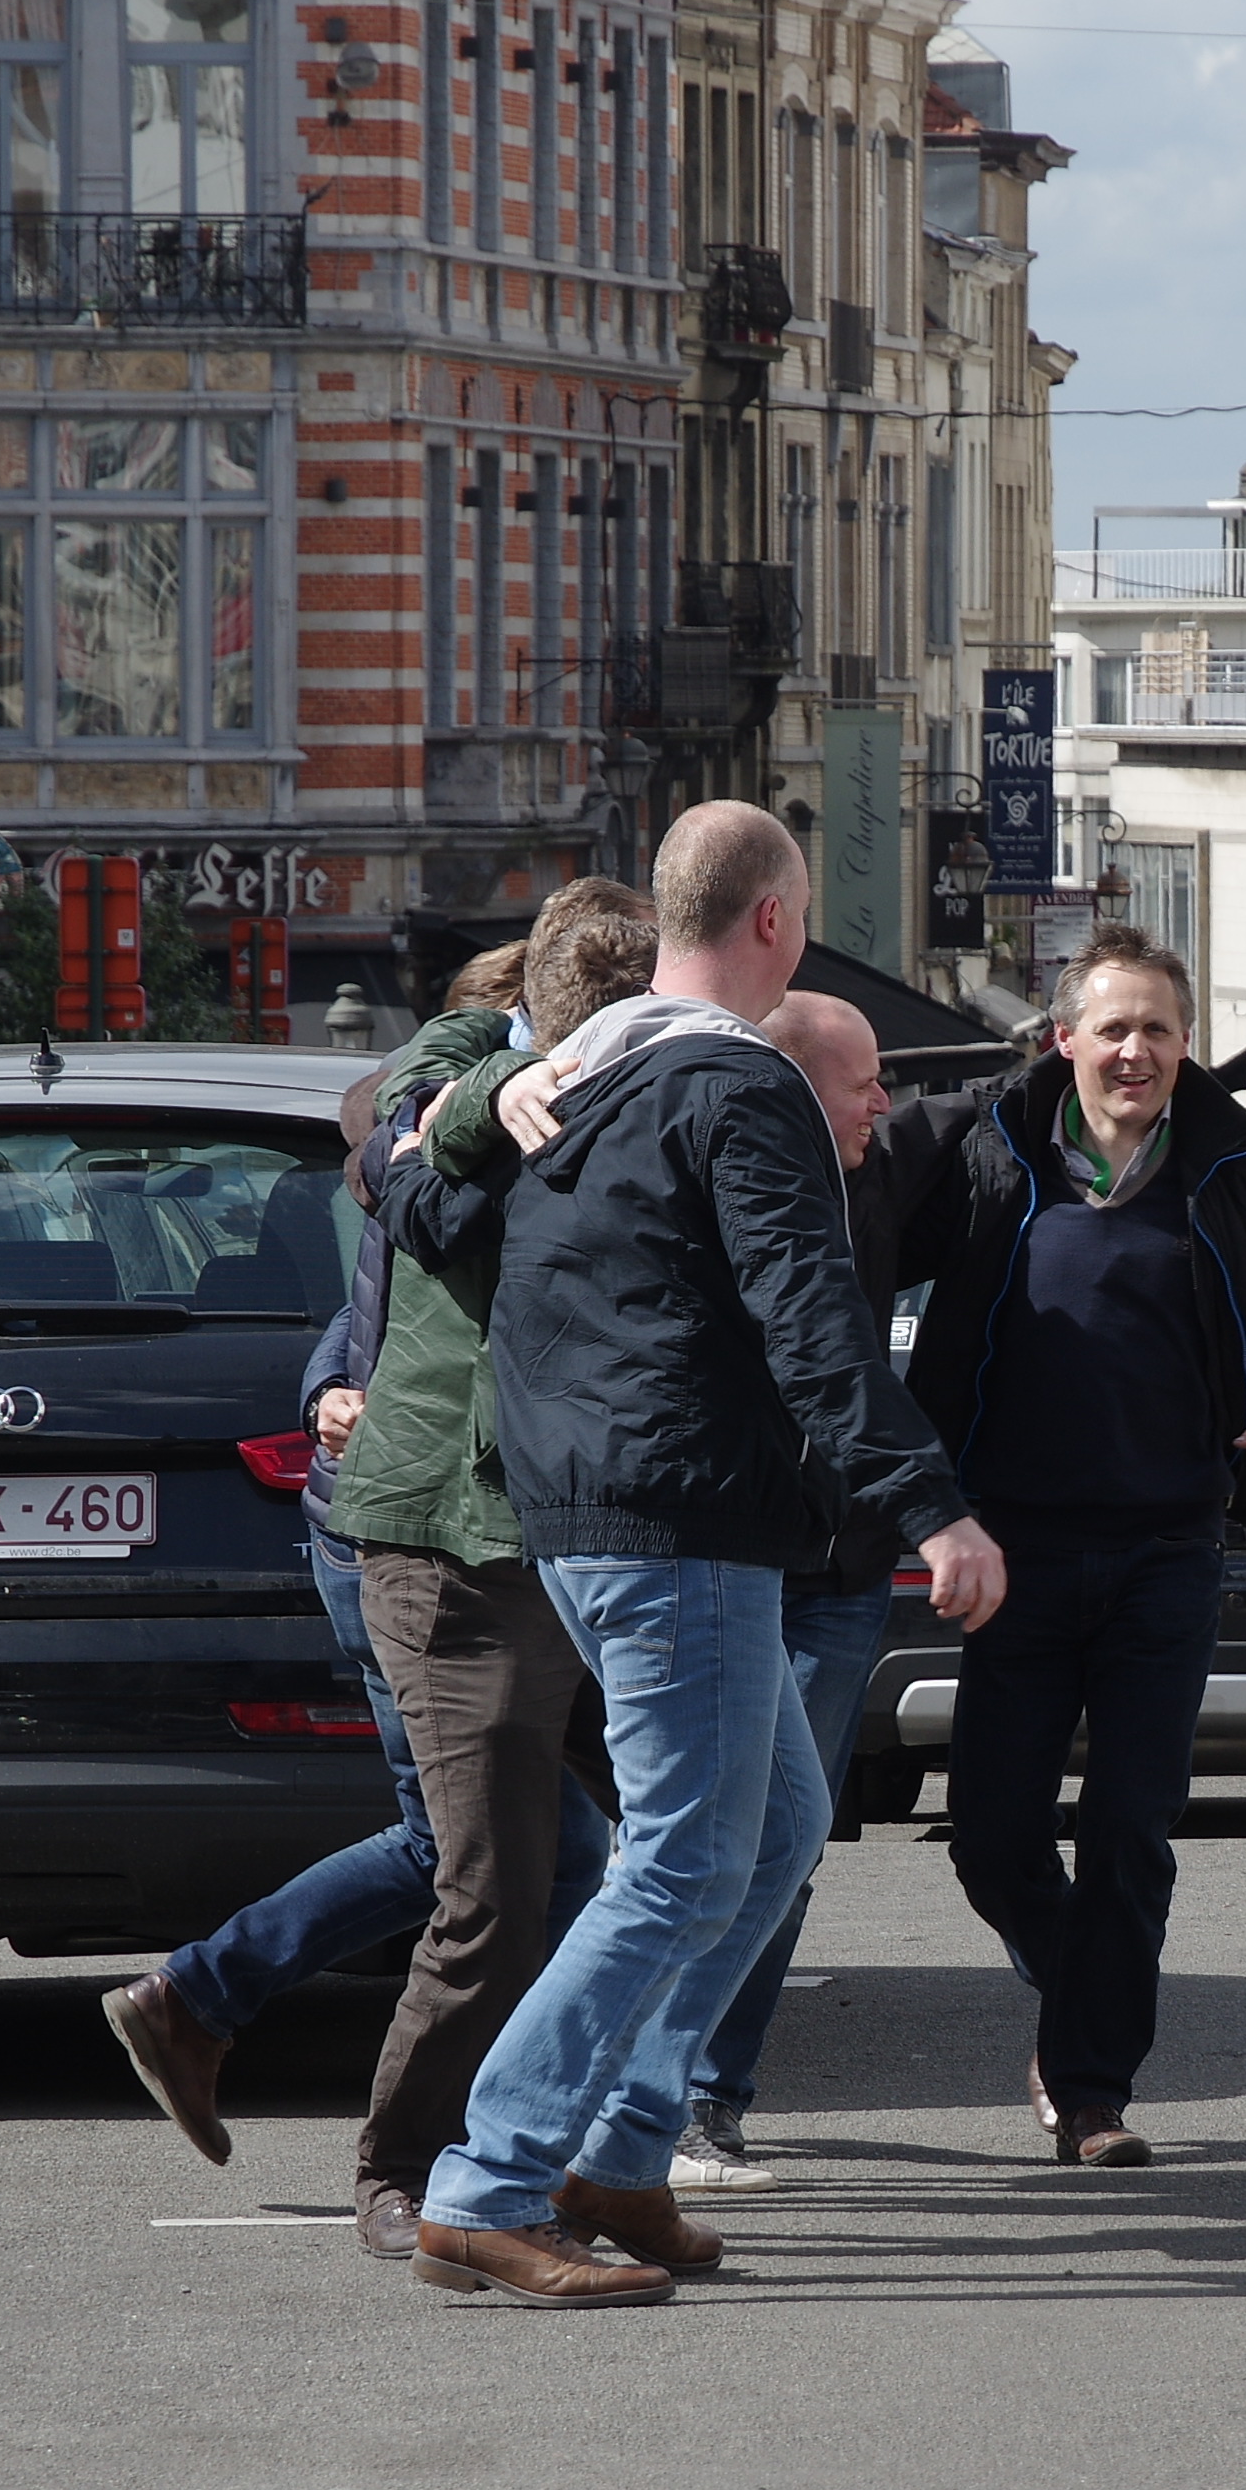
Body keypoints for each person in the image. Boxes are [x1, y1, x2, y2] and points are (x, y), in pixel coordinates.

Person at [418, 804, 1004, 2306]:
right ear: (776, 922)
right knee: (684, 1859)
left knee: (779, 1825)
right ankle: (491, 2180)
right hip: (677, 1518)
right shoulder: (735, 1083)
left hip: (588, 1509)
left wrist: (465, 1100)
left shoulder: (578, 1071)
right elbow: (811, 1312)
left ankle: (623, 2151)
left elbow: (411, 1194)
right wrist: (930, 1503)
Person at [875, 921, 1246, 2168]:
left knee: (1129, 1826)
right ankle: (1082, 1993)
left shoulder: (1244, 1166)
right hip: (1013, 1554)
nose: (1135, 1052)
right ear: (1064, 1040)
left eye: (1158, 1030)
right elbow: (844, 1244)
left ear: (1186, 1045)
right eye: (1112, 1028)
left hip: (1168, 1551)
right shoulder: (988, 1149)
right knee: (993, 1836)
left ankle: (1091, 2093)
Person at [98, 953, 529, 2172]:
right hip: (403, 1536)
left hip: (414, 1530)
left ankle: (207, 2002)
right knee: (473, 1849)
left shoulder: (440, 1144)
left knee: (510, 1846)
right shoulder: (448, 1143)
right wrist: (329, 1387)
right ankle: (214, 2006)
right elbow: (372, 1311)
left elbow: (365, 1314)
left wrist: (331, 1383)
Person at [330, 882, 661, 2257]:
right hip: (457, 1545)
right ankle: (404, 2171)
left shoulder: (649, 1082)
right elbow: (399, 1129)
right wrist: (505, 1089)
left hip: (584, 1536)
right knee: (493, 1895)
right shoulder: (468, 1065)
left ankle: (610, 2145)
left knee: (712, 1852)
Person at [670, 989, 902, 2193]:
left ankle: (707, 2097)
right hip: (715, 1556)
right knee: (701, 1839)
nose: (886, 1105)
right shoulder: (697, 1155)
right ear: (792, 1083)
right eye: (864, 1082)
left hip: (837, 1569)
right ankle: (646, 2095)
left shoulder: (881, 1176)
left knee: (781, 1839)